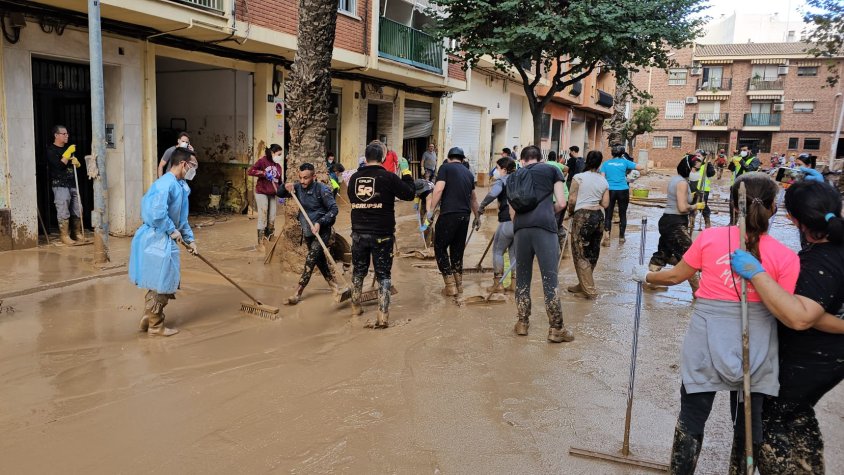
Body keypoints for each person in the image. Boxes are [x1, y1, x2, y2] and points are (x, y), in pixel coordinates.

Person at [629, 172, 800, 474]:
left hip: (706, 339)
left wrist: (646, 275)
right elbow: (785, 309)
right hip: (758, 342)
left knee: (692, 416)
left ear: (734, 206)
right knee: (748, 421)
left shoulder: (709, 239)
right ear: (774, 208)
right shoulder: (787, 256)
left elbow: (675, 276)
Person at [728, 175, 844, 474]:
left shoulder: (820, 263)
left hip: (806, 362)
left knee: (767, 421)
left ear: (792, 218)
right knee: (797, 413)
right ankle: (808, 466)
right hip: (827, 362)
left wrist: (757, 274)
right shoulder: (827, 250)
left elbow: (800, 317)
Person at [128, 148, 199, 337]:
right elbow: (157, 214)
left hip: (166, 237)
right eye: (193, 166)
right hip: (156, 237)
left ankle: (148, 317)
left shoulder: (181, 186)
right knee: (163, 281)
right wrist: (171, 230)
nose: (194, 170)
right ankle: (156, 325)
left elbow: (182, 218)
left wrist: (190, 239)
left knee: (161, 280)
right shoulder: (164, 185)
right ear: (183, 164)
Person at [347, 142, 416, 328]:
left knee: (359, 271)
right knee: (383, 274)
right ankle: (383, 316)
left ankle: (355, 307)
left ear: (365, 157)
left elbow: (353, 199)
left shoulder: (354, 178)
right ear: (383, 158)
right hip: (382, 233)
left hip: (358, 233)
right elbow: (409, 194)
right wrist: (407, 172)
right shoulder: (388, 177)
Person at [509, 146, 571, 342]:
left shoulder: (514, 175)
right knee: (549, 278)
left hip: (520, 229)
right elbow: (562, 203)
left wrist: (521, 224)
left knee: (522, 278)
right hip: (545, 228)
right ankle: (556, 328)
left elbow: (512, 211)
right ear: (539, 158)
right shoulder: (553, 170)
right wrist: (546, 214)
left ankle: (522, 323)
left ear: (523, 159)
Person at [276, 163, 344, 305]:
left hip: (322, 230)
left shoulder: (322, 189)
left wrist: (320, 222)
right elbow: (279, 193)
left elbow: (334, 209)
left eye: (306, 178)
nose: (302, 181)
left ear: (314, 176)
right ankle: (334, 286)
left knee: (311, 258)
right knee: (319, 261)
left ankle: (298, 292)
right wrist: (285, 186)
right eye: (300, 178)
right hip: (308, 230)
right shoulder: (298, 187)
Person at [427, 147, 479, 296]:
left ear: (449, 158)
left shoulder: (445, 168)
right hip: (465, 216)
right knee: (457, 250)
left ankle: (449, 286)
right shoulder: (469, 173)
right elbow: (473, 198)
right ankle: (459, 285)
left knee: (440, 247)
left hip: (449, 214)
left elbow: (438, 190)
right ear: (462, 159)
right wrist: (477, 217)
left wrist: (431, 210)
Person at [648, 156, 702, 293]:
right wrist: (696, 205)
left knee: (663, 253)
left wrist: (691, 194)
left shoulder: (676, 180)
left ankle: (651, 283)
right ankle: (698, 291)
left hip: (668, 221)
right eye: (695, 168)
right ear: (688, 168)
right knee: (690, 255)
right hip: (674, 223)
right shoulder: (682, 183)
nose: (696, 171)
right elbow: (682, 207)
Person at [565, 151, 609, 299]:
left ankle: (590, 291)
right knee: (592, 252)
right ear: (600, 163)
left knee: (580, 253)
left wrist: (570, 213)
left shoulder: (578, 177)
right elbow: (605, 203)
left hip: (582, 217)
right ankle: (582, 284)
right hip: (598, 217)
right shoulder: (603, 181)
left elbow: (571, 200)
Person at [478, 157, 516, 290]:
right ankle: (514, 285)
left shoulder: (502, 180)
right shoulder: (520, 179)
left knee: (498, 251)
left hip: (506, 221)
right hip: (521, 223)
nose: (496, 171)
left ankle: (497, 284)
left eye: (498, 168)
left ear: (504, 170)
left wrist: (481, 206)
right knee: (514, 254)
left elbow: (493, 194)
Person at [46, 125, 84, 245]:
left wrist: (77, 163)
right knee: (63, 210)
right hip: (59, 185)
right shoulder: (51, 150)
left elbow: (73, 166)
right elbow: (59, 166)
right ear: (56, 135)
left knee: (78, 209)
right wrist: (67, 154)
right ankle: (64, 235)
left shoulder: (68, 149)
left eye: (67, 134)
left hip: (72, 183)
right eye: (64, 134)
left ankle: (77, 233)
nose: (67, 135)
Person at [600, 144, 644, 246]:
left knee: (608, 215)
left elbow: (602, 179)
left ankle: (607, 238)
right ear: (622, 153)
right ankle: (621, 238)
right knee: (622, 214)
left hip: (609, 191)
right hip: (623, 190)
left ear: (612, 152)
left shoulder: (605, 164)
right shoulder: (625, 162)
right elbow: (641, 167)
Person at [247, 144, 283, 248]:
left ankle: (269, 241)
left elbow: (280, 182)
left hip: (273, 194)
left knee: (272, 217)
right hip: (262, 192)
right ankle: (261, 243)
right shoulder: (262, 161)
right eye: (279, 154)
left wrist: (281, 195)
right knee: (263, 215)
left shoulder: (278, 167)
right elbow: (251, 171)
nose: (280, 156)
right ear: (272, 153)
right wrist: (263, 173)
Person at [689, 150, 716, 230]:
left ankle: (707, 222)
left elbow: (711, 173)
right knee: (692, 204)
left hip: (703, 190)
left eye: (699, 156)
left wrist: (709, 163)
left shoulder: (706, 165)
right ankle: (691, 221)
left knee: (703, 206)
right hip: (692, 188)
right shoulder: (692, 164)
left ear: (704, 157)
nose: (697, 157)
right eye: (696, 155)